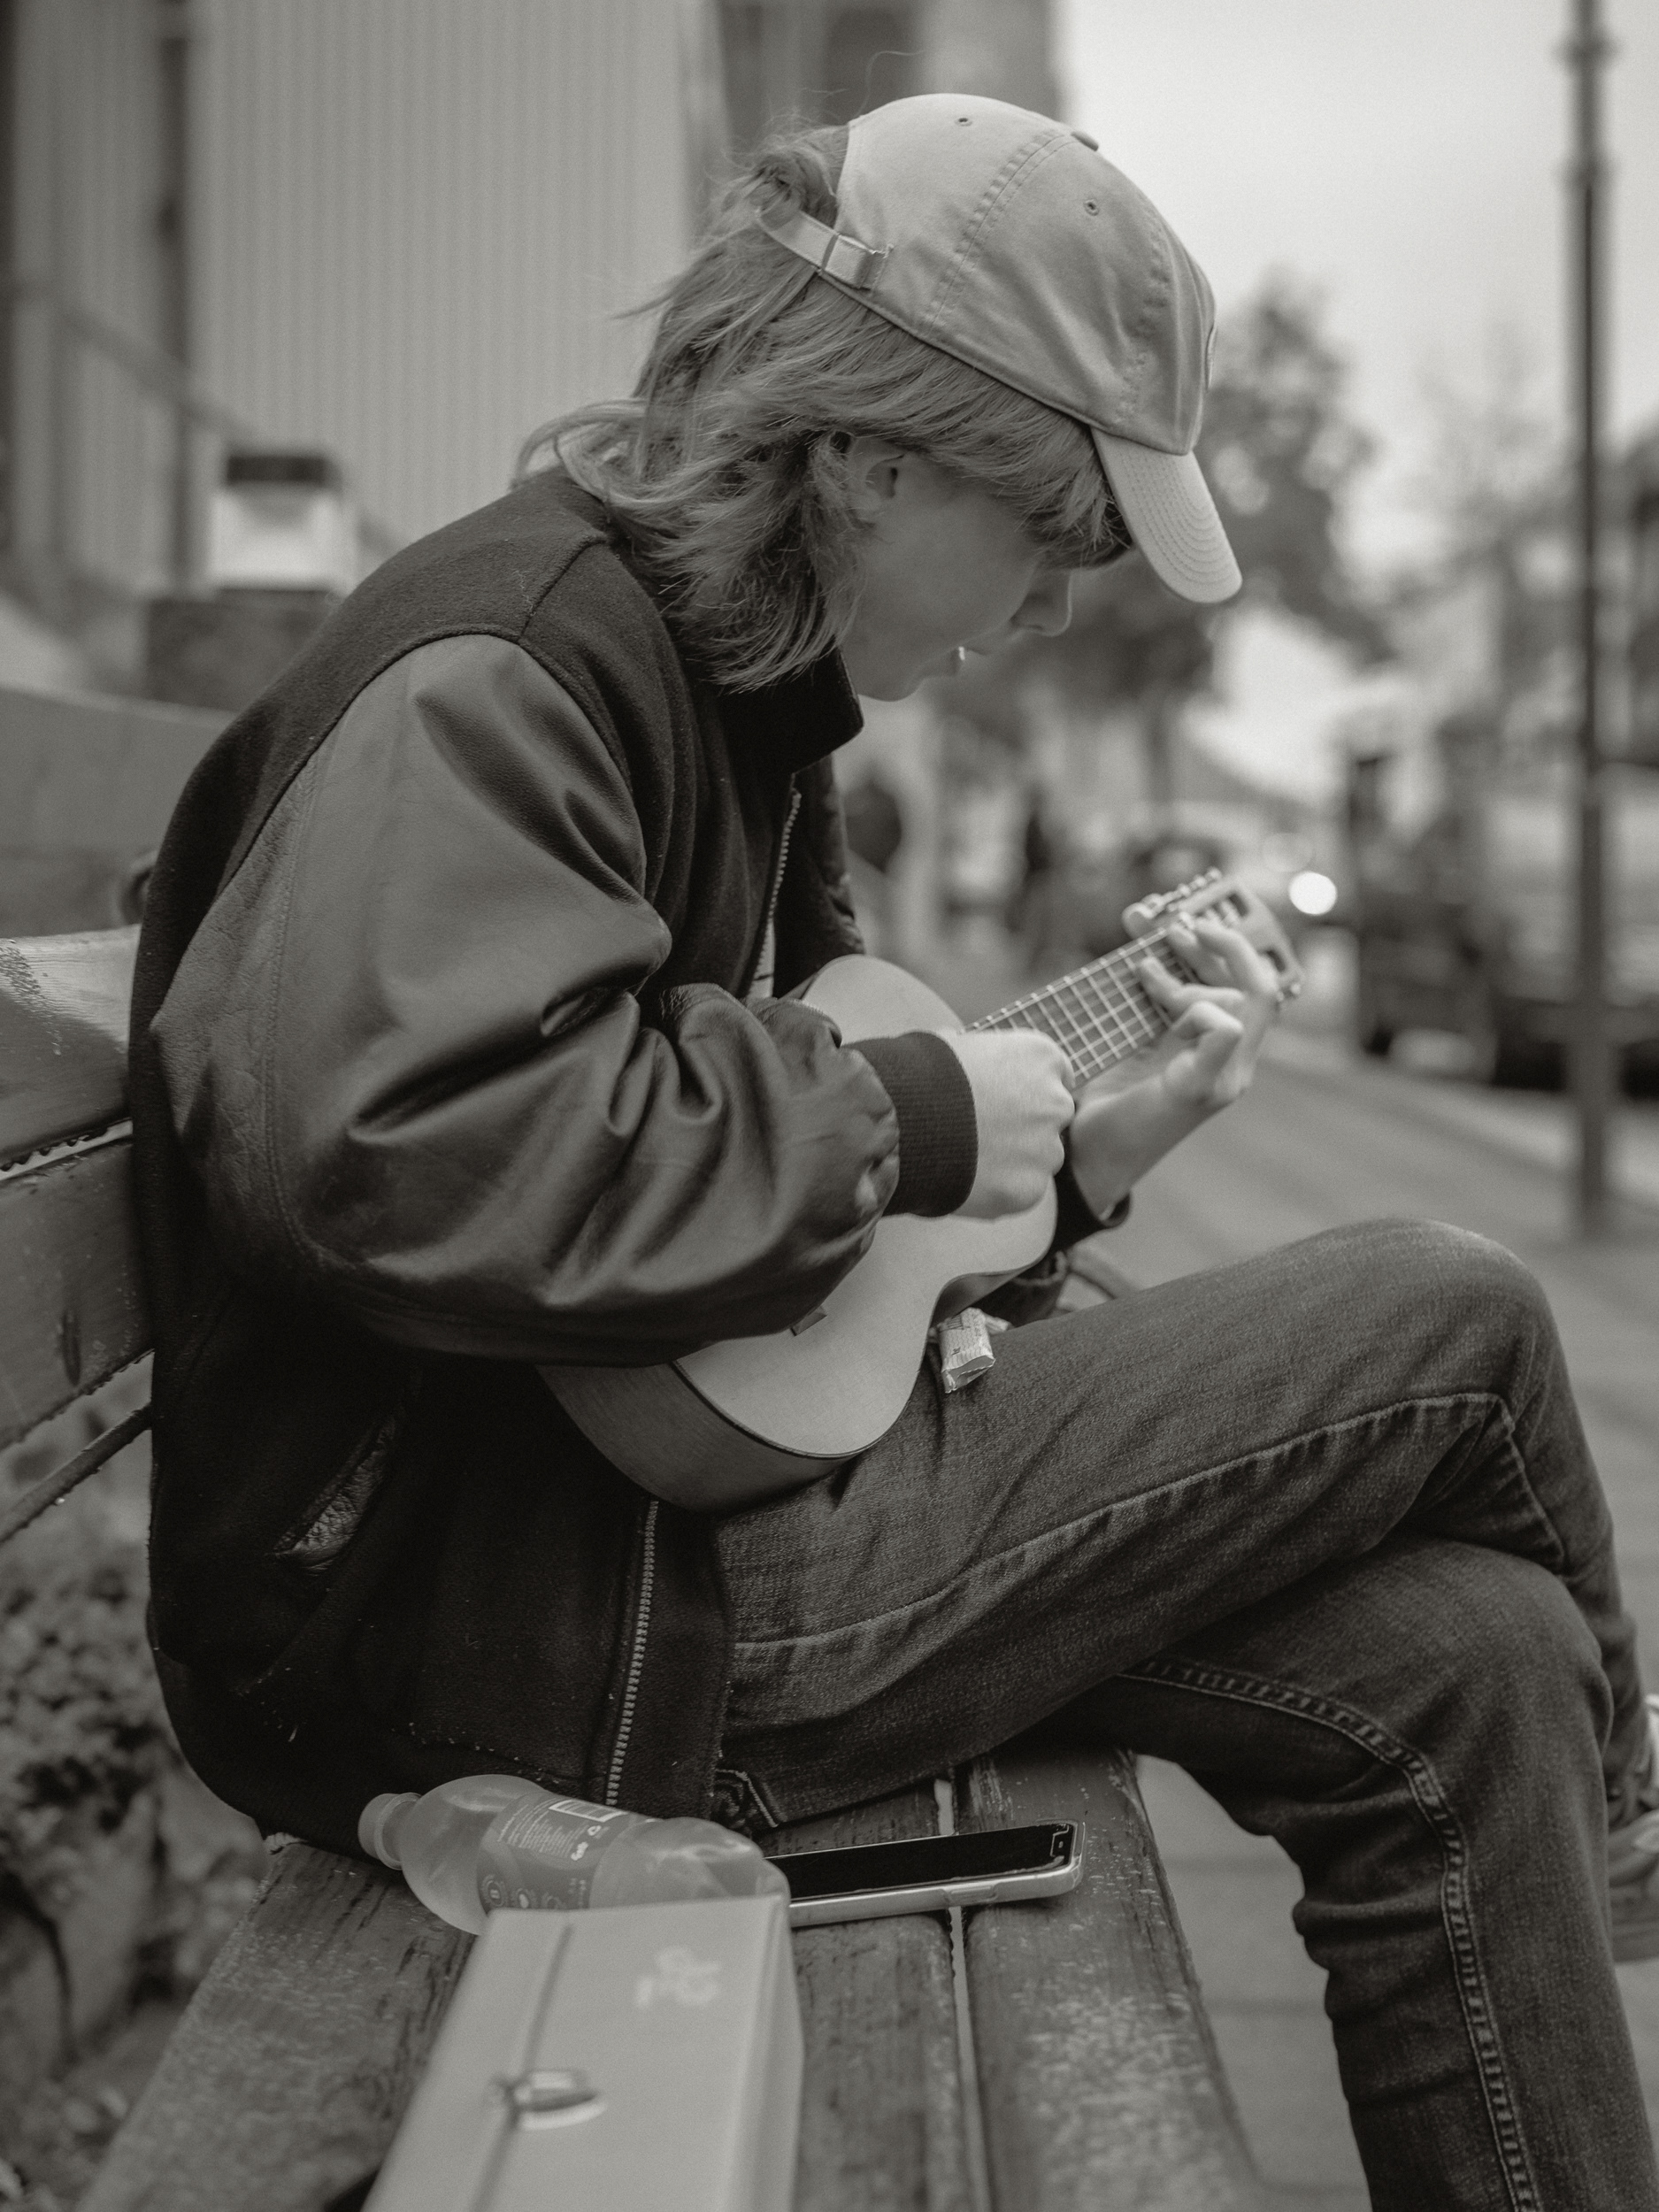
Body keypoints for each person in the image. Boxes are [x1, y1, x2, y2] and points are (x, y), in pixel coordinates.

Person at [130, 94, 1659, 2208]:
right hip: (502, 1619)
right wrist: (926, 1110)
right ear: (865, 452)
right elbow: (402, 1147)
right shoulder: (509, 669)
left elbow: (789, 1243)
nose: (1048, 606)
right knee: (1456, 1314)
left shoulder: (744, 699)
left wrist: (1078, 1163)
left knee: (1474, 1662)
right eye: (1051, 531)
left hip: (658, 1523)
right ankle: (1635, 1827)